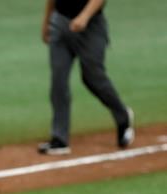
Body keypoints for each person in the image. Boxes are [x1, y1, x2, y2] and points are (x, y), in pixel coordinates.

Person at [38, 0, 134, 155]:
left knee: (92, 77)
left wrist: (84, 16)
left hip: (91, 26)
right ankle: (59, 138)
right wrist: (47, 22)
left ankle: (122, 115)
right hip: (60, 23)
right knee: (58, 81)